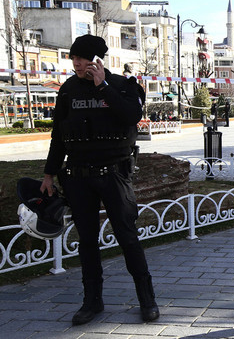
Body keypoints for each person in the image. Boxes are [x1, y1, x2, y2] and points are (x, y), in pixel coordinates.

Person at [40, 34, 159, 326]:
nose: (77, 63)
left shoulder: (123, 86)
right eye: (74, 58)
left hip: (114, 174)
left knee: (128, 237)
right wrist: (49, 173)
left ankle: (147, 300)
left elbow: (131, 115)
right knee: (87, 243)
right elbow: (59, 135)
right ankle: (91, 301)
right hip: (78, 177)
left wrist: (102, 86)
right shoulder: (67, 90)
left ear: (97, 60)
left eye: (82, 58)